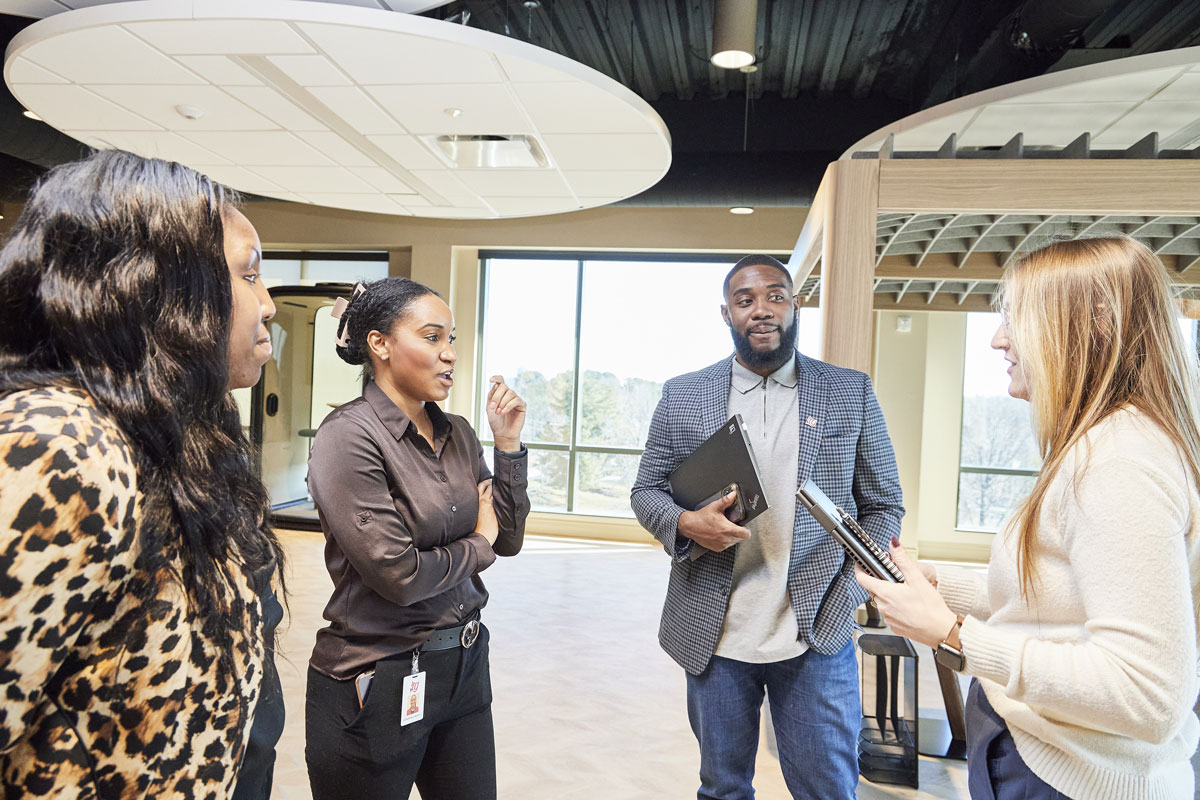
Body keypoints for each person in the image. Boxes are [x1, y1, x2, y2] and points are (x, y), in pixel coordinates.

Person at [858, 237, 1200, 800]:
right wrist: (945, 586)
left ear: (1095, 323)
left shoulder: (1117, 462)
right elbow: (1064, 598)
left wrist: (953, 634)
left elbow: (1148, 695)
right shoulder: (1104, 445)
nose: (998, 338)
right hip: (1048, 759)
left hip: (1069, 779)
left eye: (1016, 317)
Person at [0, 150, 284, 797]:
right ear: (156, 288)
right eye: (248, 275)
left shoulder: (184, 432)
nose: (267, 305)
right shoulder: (61, 446)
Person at [631, 254, 905, 799]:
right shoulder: (684, 394)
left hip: (817, 627)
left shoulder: (849, 391)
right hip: (713, 631)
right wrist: (685, 523)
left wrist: (850, 586)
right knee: (723, 789)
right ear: (727, 314)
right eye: (746, 299)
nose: (762, 309)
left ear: (795, 306)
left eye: (776, 296)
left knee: (827, 789)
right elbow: (646, 491)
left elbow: (883, 505)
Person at [304, 276, 530, 800]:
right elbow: (400, 576)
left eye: (451, 339)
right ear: (379, 344)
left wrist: (508, 445)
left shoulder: (460, 433)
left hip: (465, 666)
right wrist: (478, 543)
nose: (449, 353)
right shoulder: (348, 435)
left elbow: (509, 538)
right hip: (377, 676)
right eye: (432, 337)